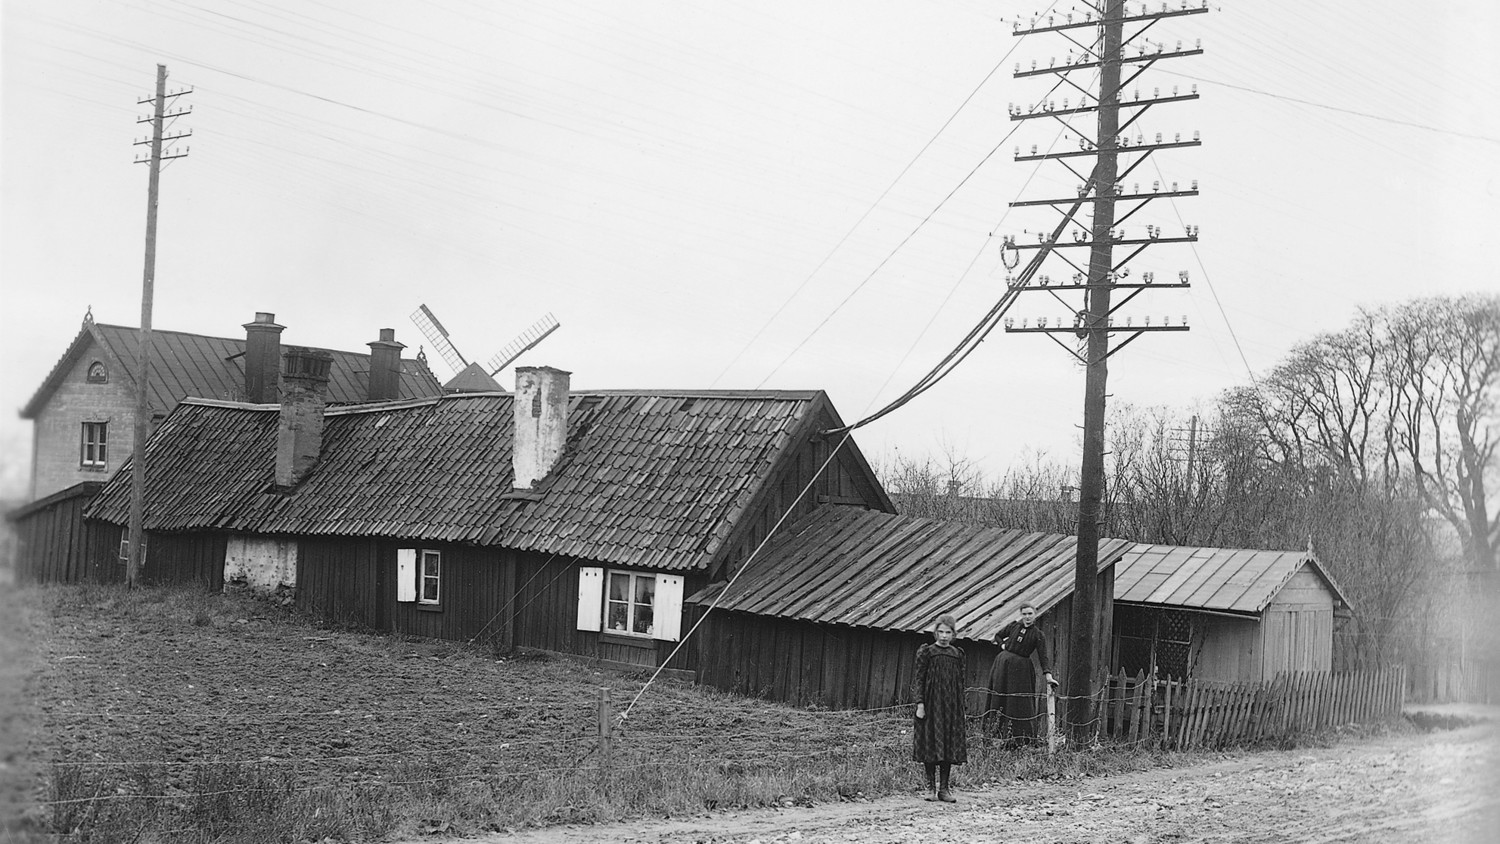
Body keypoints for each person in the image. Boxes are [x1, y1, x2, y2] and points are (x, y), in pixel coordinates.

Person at [912, 613, 966, 802]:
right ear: (935, 633)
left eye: (948, 632)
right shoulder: (927, 652)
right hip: (930, 705)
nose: (944, 636)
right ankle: (929, 788)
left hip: (950, 707)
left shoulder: (956, 654)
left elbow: (960, 682)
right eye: (941, 632)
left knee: (947, 746)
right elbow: (919, 679)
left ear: (953, 634)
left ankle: (944, 789)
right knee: (930, 745)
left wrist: (960, 708)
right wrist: (920, 704)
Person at [986, 601, 1057, 745]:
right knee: (999, 695)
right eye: (1024, 614)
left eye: (1030, 614)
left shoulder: (1038, 635)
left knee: (1017, 701)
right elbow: (998, 635)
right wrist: (1003, 645)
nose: (1027, 617)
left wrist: (1048, 676)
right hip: (1002, 665)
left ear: (1035, 615)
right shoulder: (1013, 626)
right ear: (1021, 615)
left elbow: (1043, 656)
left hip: (1021, 670)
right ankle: (994, 733)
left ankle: (1018, 737)